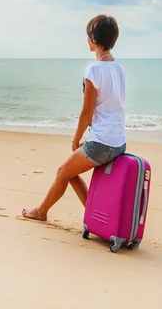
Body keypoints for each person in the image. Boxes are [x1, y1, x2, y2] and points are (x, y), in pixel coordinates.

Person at [22, 14, 126, 221]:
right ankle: (94, 215)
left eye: (88, 36)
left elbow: (87, 112)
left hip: (101, 143)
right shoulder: (119, 68)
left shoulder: (94, 69)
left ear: (94, 40)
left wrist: (76, 139)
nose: (87, 40)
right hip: (119, 142)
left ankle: (41, 212)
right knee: (69, 172)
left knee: (63, 172)